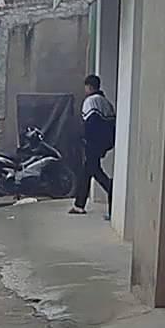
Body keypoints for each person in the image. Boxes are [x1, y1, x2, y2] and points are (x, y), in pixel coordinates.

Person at [72, 74, 116, 219]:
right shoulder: (106, 102)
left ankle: (112, 189)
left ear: (89, 87)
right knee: (88, 171)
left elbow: (89, 124)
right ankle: (79, 205)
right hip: (104, 143)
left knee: (94, 171)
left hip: (92, 143)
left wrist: (85, 140)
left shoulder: (90, 102)